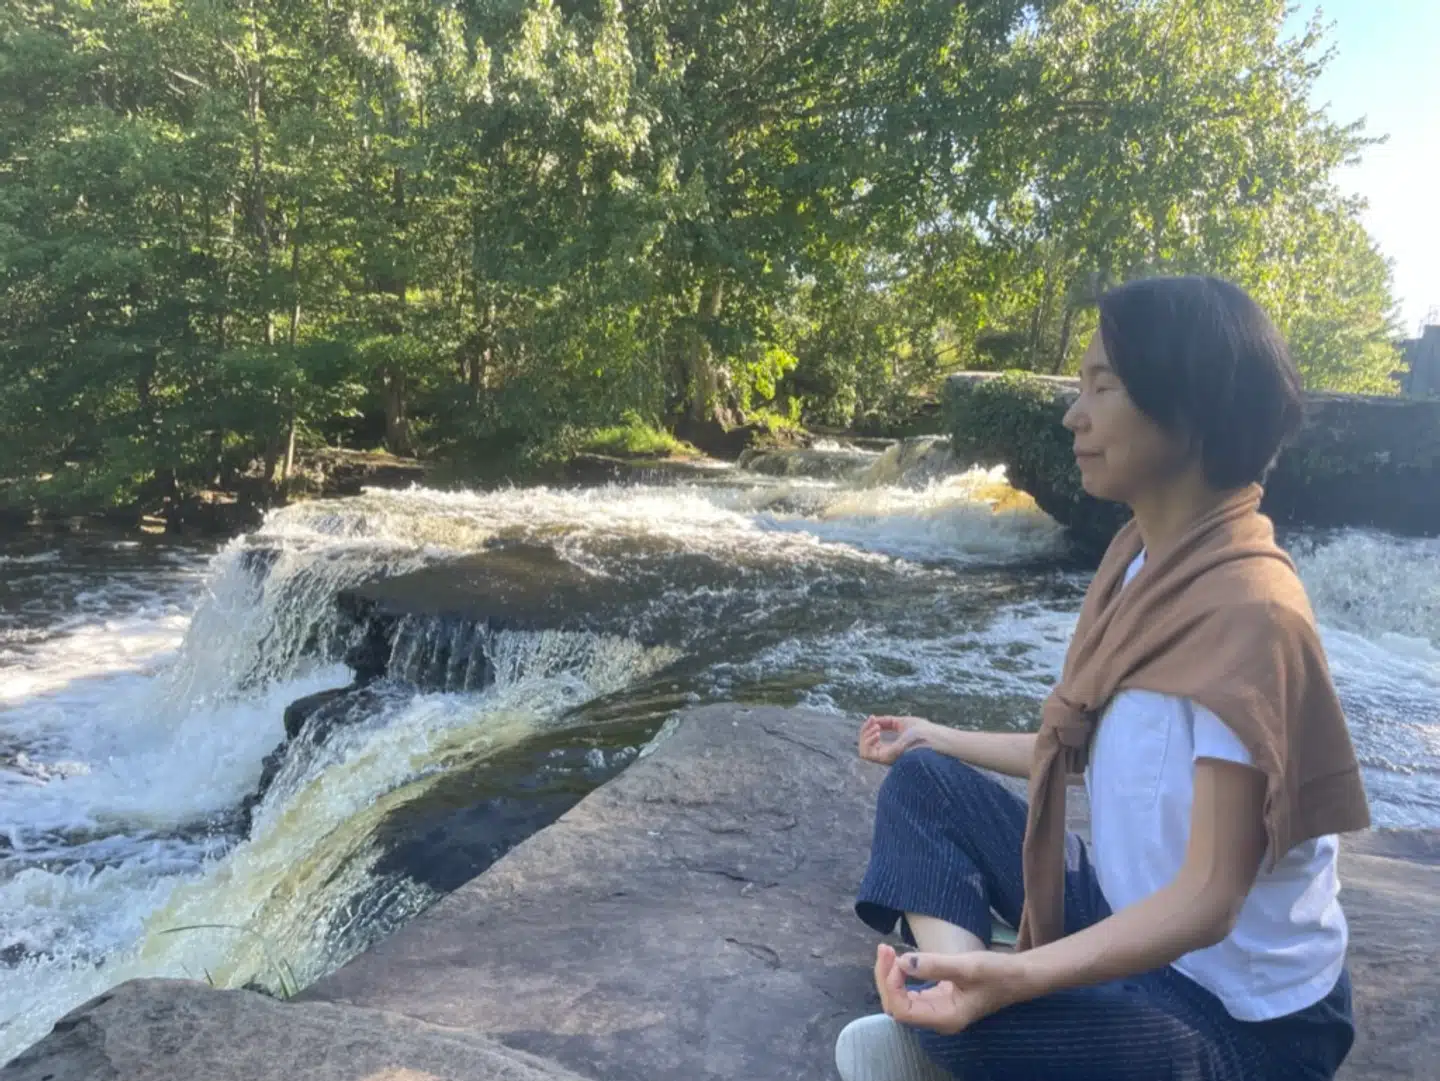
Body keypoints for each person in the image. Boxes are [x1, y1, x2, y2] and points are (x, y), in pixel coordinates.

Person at [837, 275, 1372, 1081]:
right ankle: (949, 997)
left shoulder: (1249, 615)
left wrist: (1016, 978)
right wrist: (933, 734)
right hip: (1130, 927)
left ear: (1187, 412)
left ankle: (958, 1021)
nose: (1072, 414)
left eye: (1102, 387)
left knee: (1003, 1024)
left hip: (1241, 1024)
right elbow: (1083, 744)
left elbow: (1208, 899)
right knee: (923, 785)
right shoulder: (1139, 561)